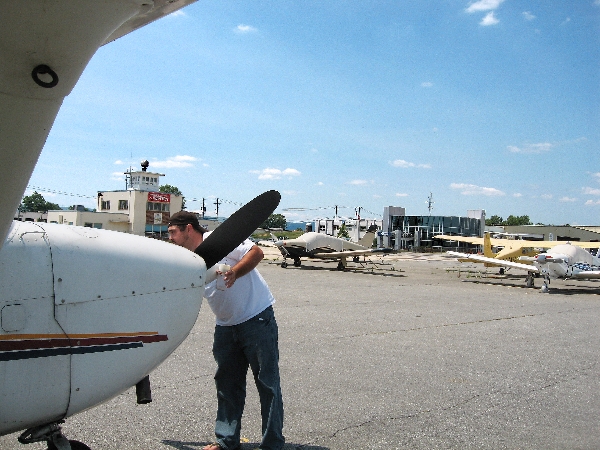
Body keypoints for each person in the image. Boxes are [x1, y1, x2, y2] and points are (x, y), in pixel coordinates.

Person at [167, 211, 285, 450]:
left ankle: (272, 444)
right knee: (227, 385)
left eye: (172, 232)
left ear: (188, 229)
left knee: (267, 383)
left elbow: (256, 253)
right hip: (225, 326)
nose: (169, 238)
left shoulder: (220, 239)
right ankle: (226, 440)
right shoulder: (186, 259)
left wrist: (234, 272)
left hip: (256, 318)